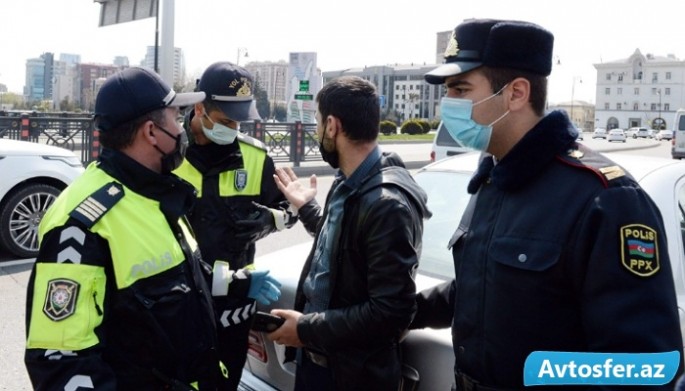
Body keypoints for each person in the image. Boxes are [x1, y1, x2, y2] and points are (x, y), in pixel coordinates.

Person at [410, 18, 684, 389]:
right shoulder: (494, 177)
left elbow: (642, 367)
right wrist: (397, 313)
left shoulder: (606, 200)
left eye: (460, 89)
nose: (448, 104)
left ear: (516, 93)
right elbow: (482, 286)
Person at [24, 67, 280, 390]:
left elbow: (180, 280)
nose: (181, 128)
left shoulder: (155, 194)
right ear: (151, 132)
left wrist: (237, 283)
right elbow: (61, 364)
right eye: (175, 118)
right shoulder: (81, 224)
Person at [266, 75, 431, 391]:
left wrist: (305, 329)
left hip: (350, 377)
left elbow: (390, 313)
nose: (316, 133)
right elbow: (344, 248)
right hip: (319, 364)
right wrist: (307, 208)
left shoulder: (387, 204)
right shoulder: (350, 181)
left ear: (331, 125)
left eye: (317, 124)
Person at [173, 61, 297, 390]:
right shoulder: (169, 155)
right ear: (200, 108)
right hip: (179, 305)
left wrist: (270, 220)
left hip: (235, 306)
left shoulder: (255, 157)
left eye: (239, 121)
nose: (233, 129)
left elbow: (293, 207)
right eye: (226, 121)